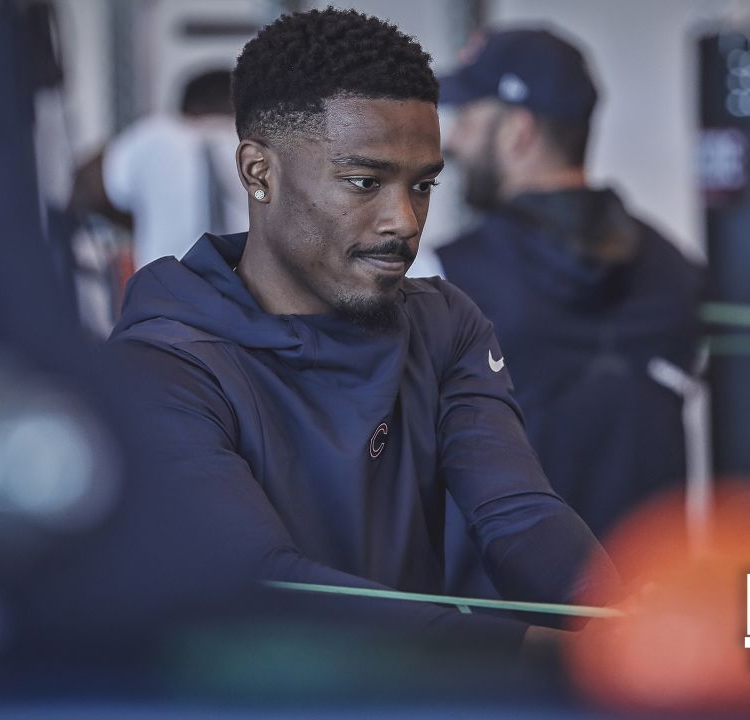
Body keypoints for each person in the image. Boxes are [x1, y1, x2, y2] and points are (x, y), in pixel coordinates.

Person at [106, 9, 618, 650]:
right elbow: (266, 588)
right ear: (258, 172)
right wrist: (529, 649)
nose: (404, 220)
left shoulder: (445, 323)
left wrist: (623, 621)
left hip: (411, 694)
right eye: (363, 182)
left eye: (423, 185)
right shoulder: (163, 365)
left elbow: (517, 513)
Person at [431, 28, 706, 597]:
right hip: (641, 626)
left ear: (517, 130)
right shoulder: (679, 272)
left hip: (490, 645)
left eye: (467, 120)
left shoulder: (440, 278)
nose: (452, 142)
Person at [70, 69, 249, 268]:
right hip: (247, 293)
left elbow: (86, 185)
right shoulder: (256, 142)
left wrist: (143, 218)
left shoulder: (156, 134)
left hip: (165, 288)